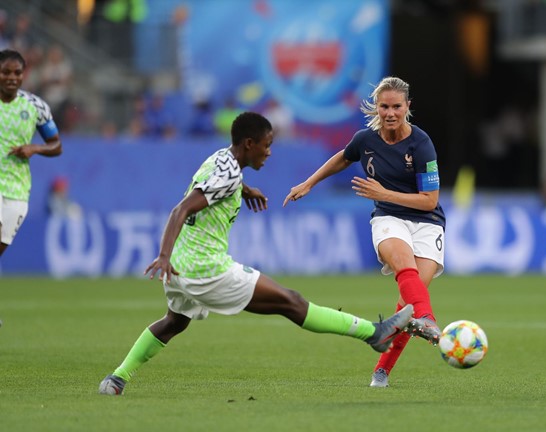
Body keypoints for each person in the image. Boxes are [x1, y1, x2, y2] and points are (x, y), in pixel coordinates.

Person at [98, 112, 413, 396]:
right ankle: (373, 333)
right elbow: (180, 209)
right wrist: (162, 255)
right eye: (266, 144)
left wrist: (246, 190)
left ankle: (117, 378)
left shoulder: (222, 159)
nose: (270, 151)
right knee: (292, 302)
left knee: (173, 323)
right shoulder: (230, 175)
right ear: (249, 143)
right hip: (204, 268)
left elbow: (216, 183)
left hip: (182, 266)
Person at [283, 76, 444, 388]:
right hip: (388, 218)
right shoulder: (365, 140)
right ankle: (430, 321)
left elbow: (430, 200)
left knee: (408, 302)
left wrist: (384, 193)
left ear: (407, 107)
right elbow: (342, 158)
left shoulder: (421, 145)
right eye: (384, 106)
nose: (390, 112)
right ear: (377, 107)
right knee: (404, 268)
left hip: (427, 221)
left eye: (397, 106)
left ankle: (382, 369)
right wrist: (309, 182)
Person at [0, 49, 63, 258]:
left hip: (17, 190)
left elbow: (56, 145)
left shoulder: (36, 106)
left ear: (23, 75)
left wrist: (34, 148)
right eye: (5, 72)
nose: (11, 77)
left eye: (17, 73)